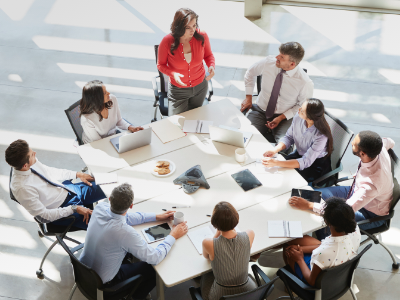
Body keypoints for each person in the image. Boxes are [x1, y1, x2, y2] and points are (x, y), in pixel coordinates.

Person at [80, 183, 188, 300]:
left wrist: (157, 216)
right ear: (131, 205)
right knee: (153, 269)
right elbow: (155, 257)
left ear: (110, 199)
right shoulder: (125, 232)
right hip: (105, 286)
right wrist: (173, 235)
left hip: (83, 272)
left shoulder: (100, 208)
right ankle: (135, 297)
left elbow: (126, 217)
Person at [289, 131, 394, 240]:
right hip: (356, 190)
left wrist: (309, 205)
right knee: (314, 194)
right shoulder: (378, 147)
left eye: (353, 144)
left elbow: (342, 212)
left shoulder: (370, 185)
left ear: (363, 153)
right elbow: (391, 142)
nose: (351, 144)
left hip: (370, 213)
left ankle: (322, 248)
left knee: (325, 221)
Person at [6, 139, 105, 229]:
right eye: (32, 154)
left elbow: (49, 172)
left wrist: (77, 174)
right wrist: (74, 208)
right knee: (106, 225)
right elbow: (44, 216)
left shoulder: (29, 162)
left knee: (108, 186)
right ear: (24, 165)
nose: (35, 153)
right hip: (63, 211)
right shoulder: (22, 188)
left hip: (69, 191)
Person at [240, 42, 313, 144]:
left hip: (285, 117)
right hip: (260, 110)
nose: (277, 57)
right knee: (243, 137)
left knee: (283, 145)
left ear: (292, 64)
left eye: (282, 57)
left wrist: (281, 117)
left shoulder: (304, 82)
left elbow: (302, 107)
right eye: (279, 54)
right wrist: (248, 97)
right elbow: (250, 73)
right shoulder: (268, 62)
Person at [283, 197, 361, 287]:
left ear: (327, 222)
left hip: (317, 285)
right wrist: (302, 249)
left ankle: (291, 284)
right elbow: (325, 247)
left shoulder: (322, 253)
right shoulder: (354, 229)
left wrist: (299, 259)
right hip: (338, 274)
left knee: (289, 247)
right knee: (295, 243)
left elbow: (312, 281)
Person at [157, 8, 215, 116]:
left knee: (194, 120)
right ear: (178, 27)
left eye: (194, 25)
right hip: (178, 91)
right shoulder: (167, 41)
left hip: (200, 87)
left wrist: (211, 66)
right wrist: (173, 74)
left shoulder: (202, 36)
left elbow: (208, 55)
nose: (192, 30)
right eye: (188, 27)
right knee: (176, 126)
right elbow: (160, 65)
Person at [262, 98, 333, 183]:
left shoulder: (321, 136)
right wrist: (275, 150)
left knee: (287, 178)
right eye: (300, 107)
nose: (299, 110)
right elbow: (289, 137)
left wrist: (276, 162)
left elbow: (305, 161)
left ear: (310, 119)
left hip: (314, 165)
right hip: (299, 154)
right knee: (274, 171)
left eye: (302, 110)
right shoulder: (298, 117)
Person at [200, 202, 257, 300]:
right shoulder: (249, 234)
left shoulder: (208, 243)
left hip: (220, 296)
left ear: (214, 223)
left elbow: (207, 257)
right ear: (236, 218)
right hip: (249, 292)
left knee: (205, 275)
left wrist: (218, 232)